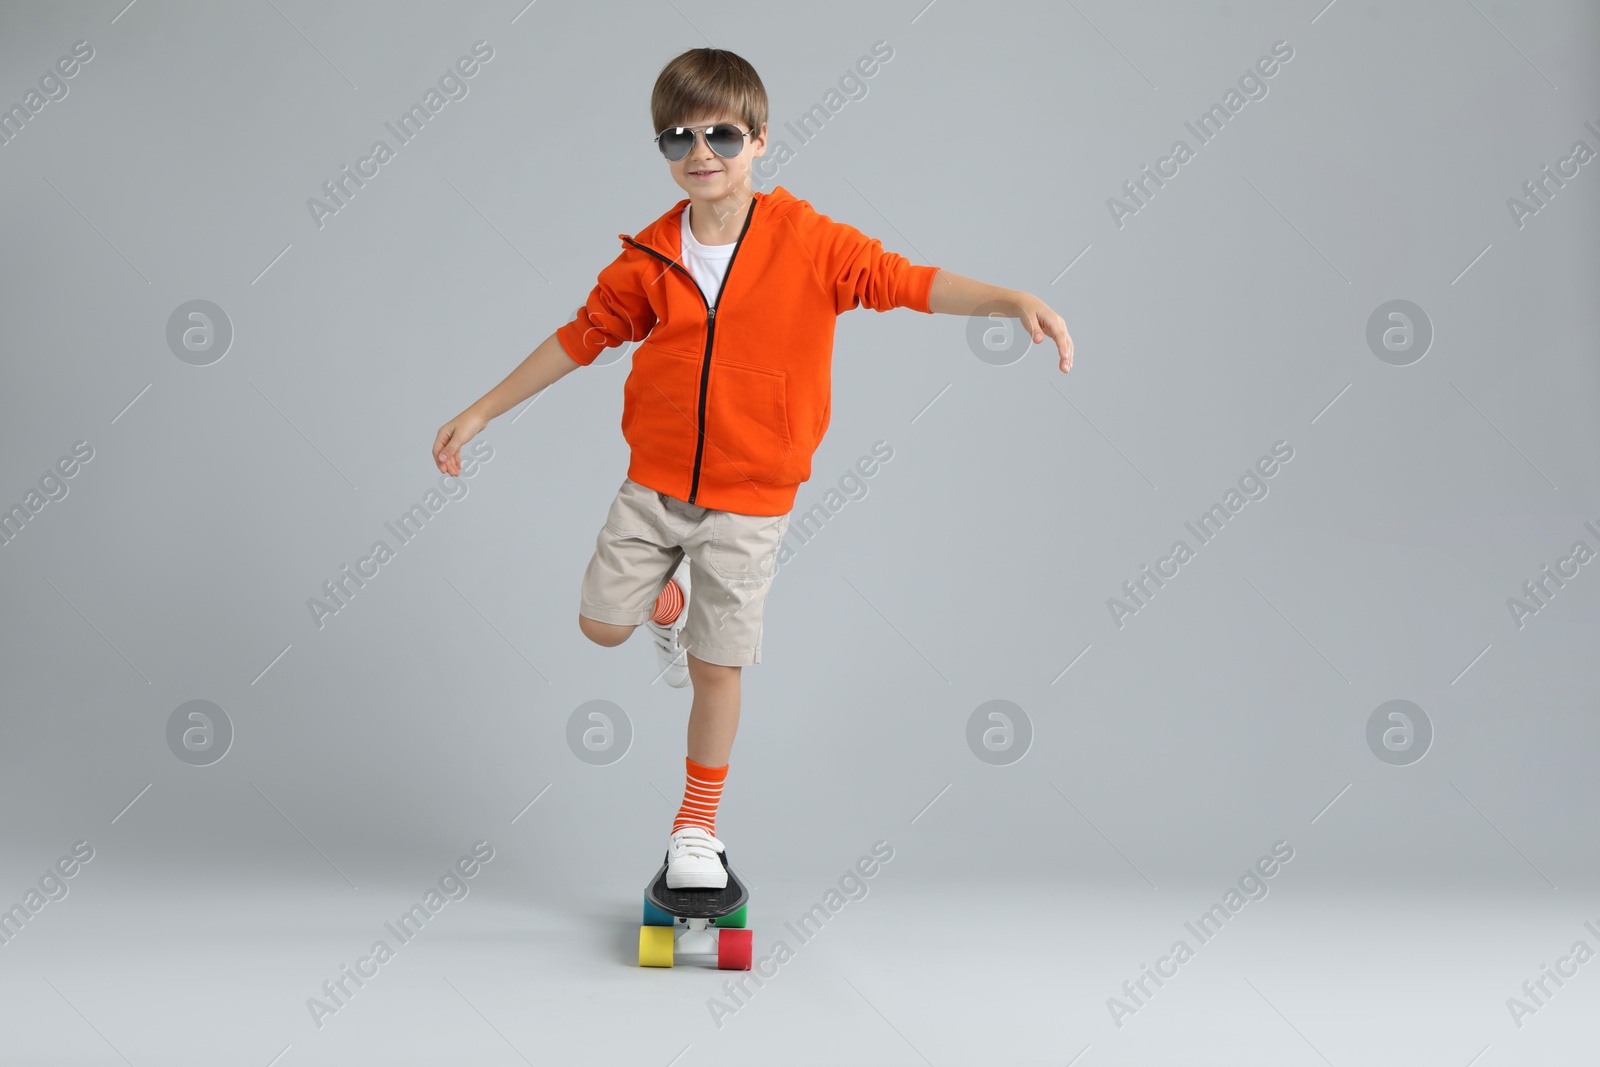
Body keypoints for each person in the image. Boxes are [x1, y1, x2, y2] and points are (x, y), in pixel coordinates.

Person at [433, 47, 1071, 891]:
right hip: (654, 485)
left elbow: (907, 280)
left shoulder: (807, 242)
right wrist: (481, 409)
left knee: (715, 665)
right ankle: (665, 598)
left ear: (761, 139)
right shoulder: (649, 257)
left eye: (722, 134)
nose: (701, 151)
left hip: (750, 503)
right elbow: (578, 339)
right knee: (601, 627)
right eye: (678, 136)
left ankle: (696, 825)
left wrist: (1007, 299)